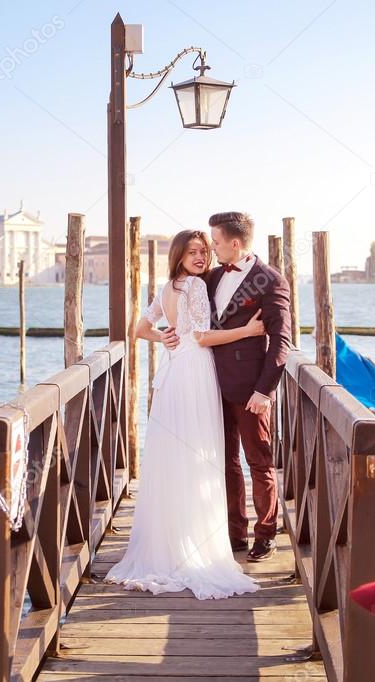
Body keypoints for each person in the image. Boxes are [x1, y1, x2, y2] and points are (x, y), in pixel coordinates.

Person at [105, 229, 263, 599]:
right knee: (199, 458)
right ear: (178, 255)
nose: (200, 257)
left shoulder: (167, 287)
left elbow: (139, 329)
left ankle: (170, 543)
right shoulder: (194, 286)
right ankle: (192, 548)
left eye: (204, 251)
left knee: (176, 457)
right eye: (193, 252)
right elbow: (204, 337)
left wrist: (163, 338)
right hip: (194, 372)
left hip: (174, 372)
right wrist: (248, 329)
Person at [160, 212, 293, 562]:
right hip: (207, 384)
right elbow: (187, 318)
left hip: (250, 389)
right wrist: (166, 334)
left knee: (259, 461)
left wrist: (265, 391)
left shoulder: (270, 281)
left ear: (235, 243)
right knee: (225, 462)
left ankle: (266, 534)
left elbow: (282, 341)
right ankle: (234, 533)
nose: (211, 248)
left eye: (215, 242)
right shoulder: (212, 277)